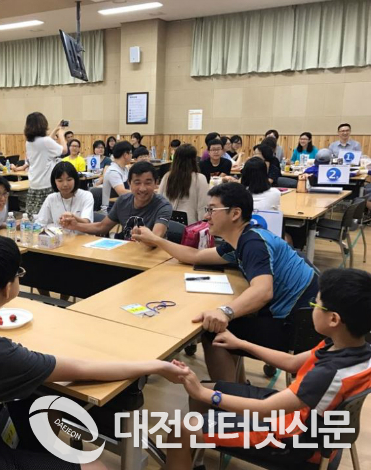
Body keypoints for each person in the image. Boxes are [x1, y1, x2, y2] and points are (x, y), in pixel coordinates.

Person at [0, 234, 189, 470]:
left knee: (34, 408)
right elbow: (83, 369)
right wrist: (155, 365)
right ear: (7, 289)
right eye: (18, 273)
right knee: (97, 467)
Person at [166, 268, 371, 470]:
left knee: (182, 428)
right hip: (303, 421)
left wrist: (203, 394)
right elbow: (292, 363)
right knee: (204, 392)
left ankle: (186, 451)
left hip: (296, 442)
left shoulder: (328, 374)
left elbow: (265, 410)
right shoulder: (350, 347)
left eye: (315, 304)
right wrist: (241, 344)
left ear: (334, 319)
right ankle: (194, 460)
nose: (312, 309)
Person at [131, 183, 319, 383]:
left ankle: (228, 396)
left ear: (235, 213)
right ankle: (239, 387)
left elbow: (263, 291)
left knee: (215, 334)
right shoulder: (241, 240)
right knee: (230, 324)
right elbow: (195, 255)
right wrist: (157, 240)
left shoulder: (253, 244)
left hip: (301, 325)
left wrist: (225, 311)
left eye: (212, 210)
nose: (206, 216)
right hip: (301, 316)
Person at [63, 161, 172, 240]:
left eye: (148, 183)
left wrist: (142, 235)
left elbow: (156, 239)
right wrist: (75, 226)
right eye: (137, 183)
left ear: (156, 183)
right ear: (129, 183)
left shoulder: (163, 206)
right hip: (125, 253)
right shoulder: (123, 201)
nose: (142, 188)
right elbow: (102, 227)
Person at [12, 112, 67, 216]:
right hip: (46, 184)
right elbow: (64, 150)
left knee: (33, 215)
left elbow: (46, 142)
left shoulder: (29, 142)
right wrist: (61, 135)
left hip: (34, 183)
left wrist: (56, 129)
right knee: (48, 216)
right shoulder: (45, 141)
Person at [159, 144, 209, 225]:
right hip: (191, 226)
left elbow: (160, 201)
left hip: (167, 224)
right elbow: (203, 207)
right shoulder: (200, 178)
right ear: (194, 160)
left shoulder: (167, 177)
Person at [36, 162, 94, 228]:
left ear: (75, 179)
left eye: (69, 180)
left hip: (81, 234)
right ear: (54, 182)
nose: (65, 184)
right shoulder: (51, 198)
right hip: (58, 234)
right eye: (60, 181)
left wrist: (73, 217)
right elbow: (40, 223)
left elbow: (87, 223)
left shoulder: (86, 196)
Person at [101, 141, 132, 207]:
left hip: (123, 205)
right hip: (111, 208)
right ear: (125, 155)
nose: (132, 155)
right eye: (131, 153)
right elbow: (122, 193)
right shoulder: (113, 172)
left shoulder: (125, 169)